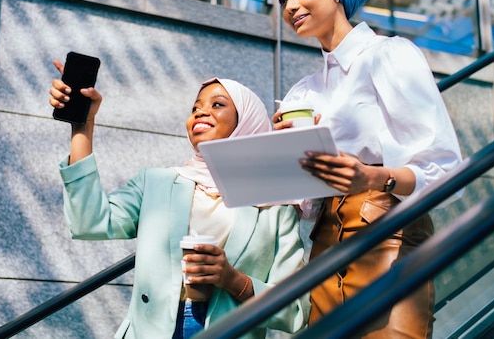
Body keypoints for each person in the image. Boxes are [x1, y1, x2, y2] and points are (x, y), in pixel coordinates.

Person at [274, 0, 462, 338]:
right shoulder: (302, 93)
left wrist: (373, 177)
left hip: (389, 236)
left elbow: (443, 167)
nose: (290, 6)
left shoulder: (388, 56)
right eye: (282, 0)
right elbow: (307, 207)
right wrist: (283, 166)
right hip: (325, 246)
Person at [49, 60, 309, 339]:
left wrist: (232, 280)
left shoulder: (274, 206)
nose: (200, 113)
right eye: (195, 108)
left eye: (217, 104)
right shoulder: (156, 183)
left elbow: (296, 310)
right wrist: (83, 124)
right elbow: (89, 222)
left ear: (247, 120)